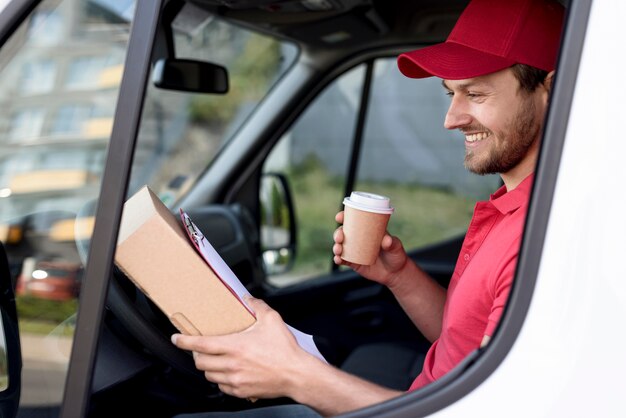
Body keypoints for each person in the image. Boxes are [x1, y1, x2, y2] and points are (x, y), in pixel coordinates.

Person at [171, 0, 565, 416]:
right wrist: (400, 277)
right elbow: (463, 340)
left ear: (553, 91)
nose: (451, 118)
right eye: (451, 93)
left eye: (476, 94)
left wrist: (294, 375)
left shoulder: (546, 238)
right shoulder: (512, 207)